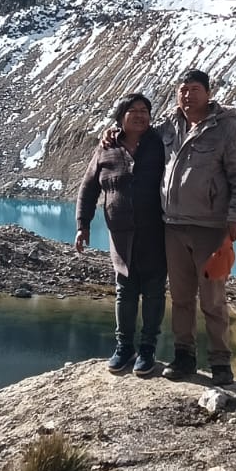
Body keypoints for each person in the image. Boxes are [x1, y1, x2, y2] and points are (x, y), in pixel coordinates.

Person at [154, 69, 236, 386]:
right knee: (181, 297)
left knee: (213, 299)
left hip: (210, 228)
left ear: (209, 93)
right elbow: (138, 143)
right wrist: (112, 135)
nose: (188, 96)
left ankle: (221, 362)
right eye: (182, 90)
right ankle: (184, 356)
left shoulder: (226, 128)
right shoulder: (169, 126)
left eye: (195, 89)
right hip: (173, 226)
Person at [75, 92, 167, 376]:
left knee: (153, 291)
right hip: (121, 234)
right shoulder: (106, 148)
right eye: (133, 110)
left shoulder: (160, 142)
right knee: (125, 291)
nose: (140, 115)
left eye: (145, 110)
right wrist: (83, 224)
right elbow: (88, 188)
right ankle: (124, 347)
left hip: (156, 233)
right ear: (120, 116)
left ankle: (148, 349)